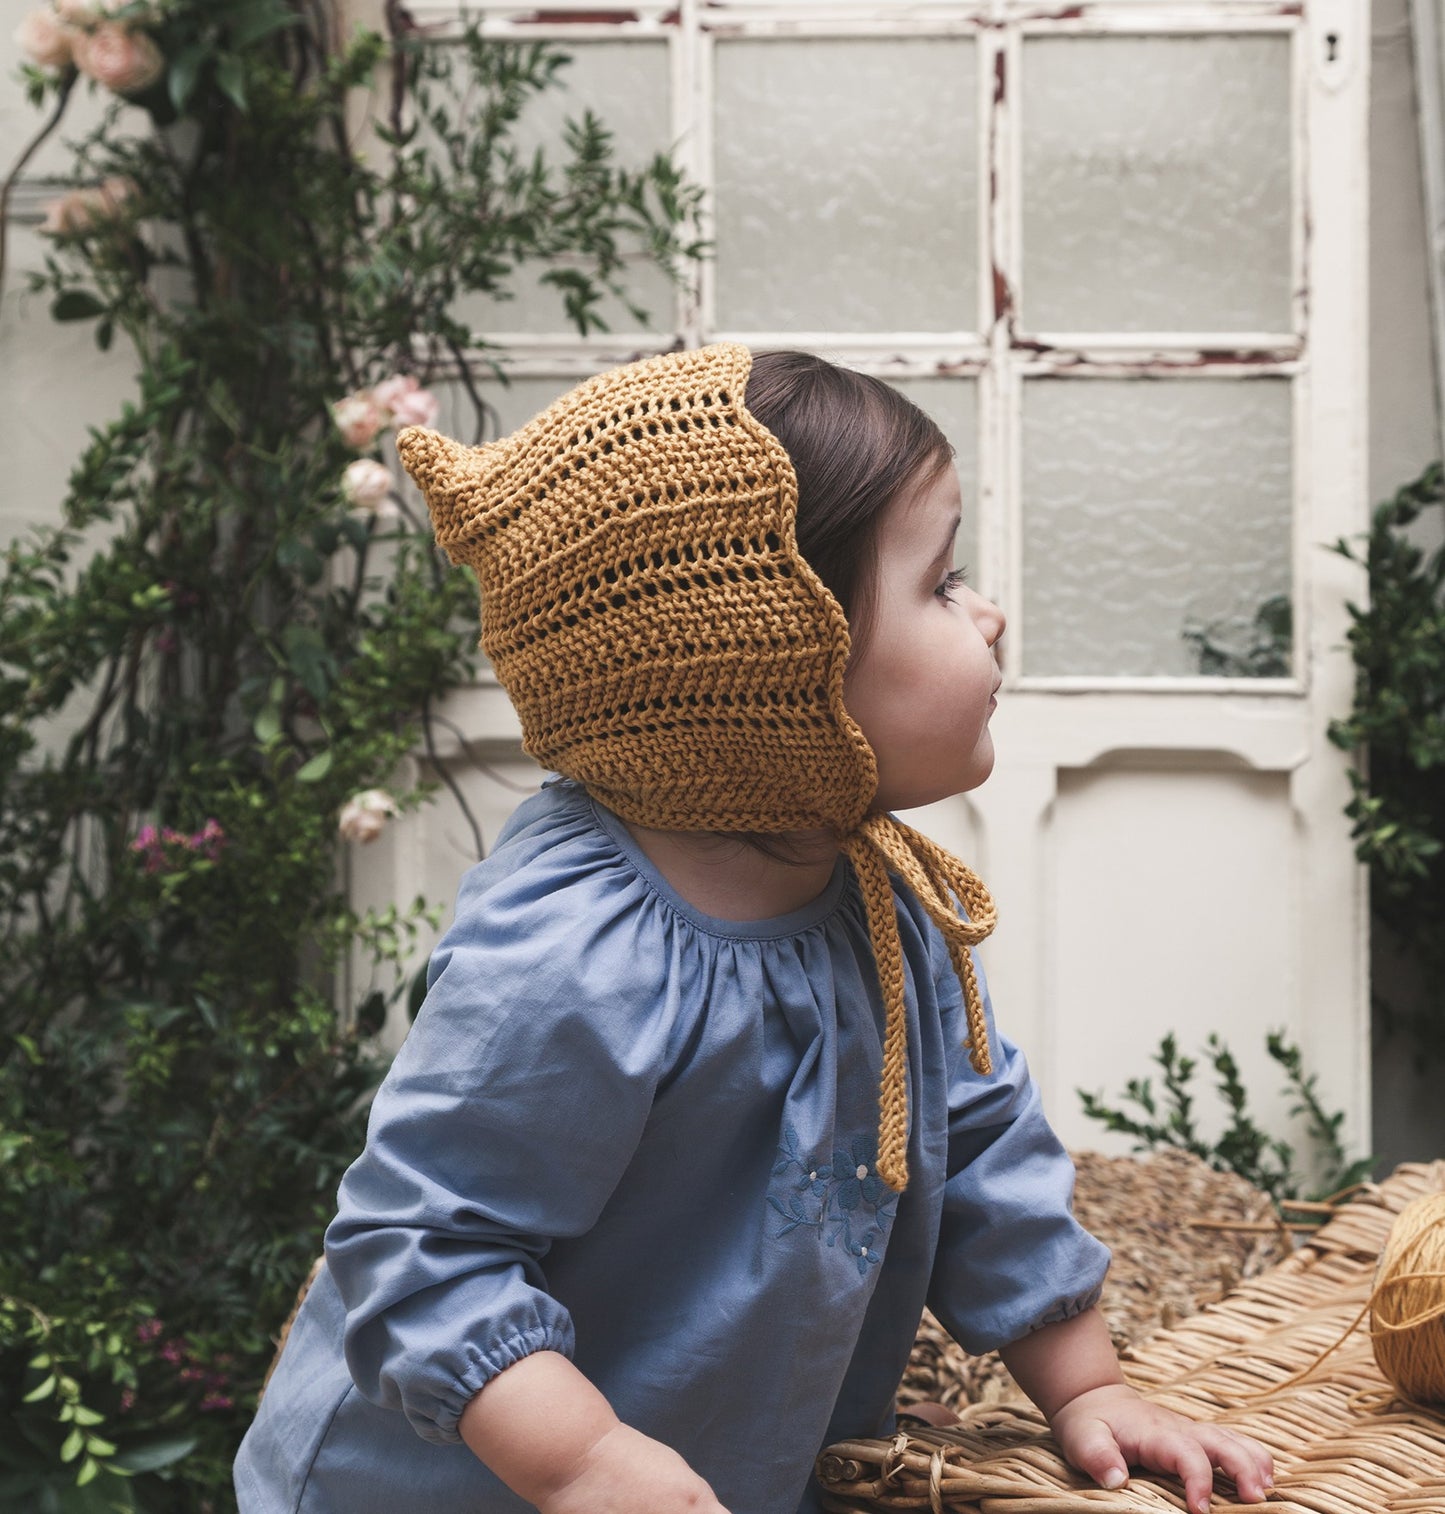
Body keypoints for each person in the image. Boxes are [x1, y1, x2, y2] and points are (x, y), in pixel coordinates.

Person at [234, 343, 1275, 1514]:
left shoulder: (869, 887)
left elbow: (972, 1136)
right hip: (449, 1486)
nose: (987, 614)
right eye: (939, 584)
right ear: (778, 669)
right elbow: (419, 1249)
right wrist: (580, 1459)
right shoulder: (578, 949)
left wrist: (1086, 1387)